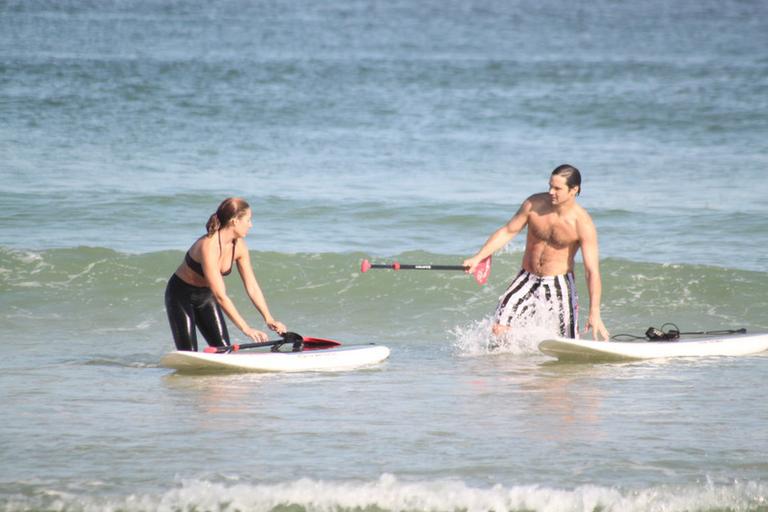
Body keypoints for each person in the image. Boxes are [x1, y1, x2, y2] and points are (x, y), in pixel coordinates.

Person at [463, 165, 609, 341]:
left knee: (568, 342)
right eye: (550, 186)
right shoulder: (534, 204)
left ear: (574, 190)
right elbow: (508, 231)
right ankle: (516, 365)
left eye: (557, 188)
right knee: (498, 330)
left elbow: (591, 271)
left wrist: (594, 312)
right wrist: (478, 258)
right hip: (527, 277)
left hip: (559, 282)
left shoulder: (582, 224)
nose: (550, 192)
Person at [165, 197, 286, 351]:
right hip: (181, 296)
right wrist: (246, 329)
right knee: (189, 353)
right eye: (248, 220)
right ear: (235, 221)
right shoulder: (208, 246)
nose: (251, 225)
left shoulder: (239, 247)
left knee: (224, 349)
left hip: (206, 297)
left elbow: (252, 287)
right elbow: (221, 296)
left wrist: (269, 318)